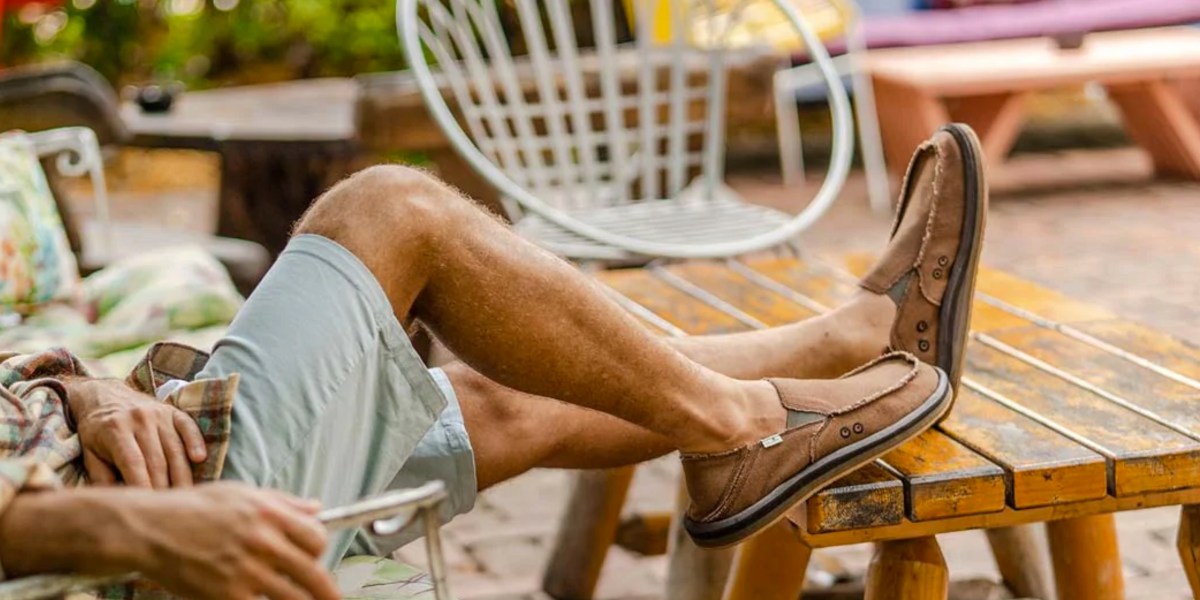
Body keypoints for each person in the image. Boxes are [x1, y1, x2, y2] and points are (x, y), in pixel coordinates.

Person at [0, 124, 987, 600]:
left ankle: (849, 344)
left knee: (502, 400)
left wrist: (77, 387)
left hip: (130, 456)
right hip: (127, 542)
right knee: (391, 213)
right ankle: (747, 427)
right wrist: (121, 525)